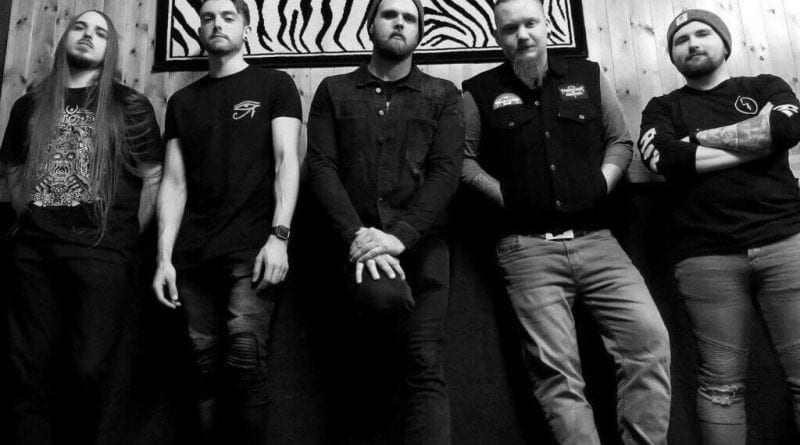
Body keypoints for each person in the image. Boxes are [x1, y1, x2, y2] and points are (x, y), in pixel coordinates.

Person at [460, 1, 672, 443]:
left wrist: (601, 184)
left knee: (650, 345)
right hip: (526, 249)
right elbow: (463, 160)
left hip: (599, 242)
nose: (522, 35)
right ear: (497, 37)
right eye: (510, 28)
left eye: (530, 23)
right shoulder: (477, 91)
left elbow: (620, 141)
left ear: (548, 25)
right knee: (557, 376)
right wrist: (506, 196)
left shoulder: (589, 76)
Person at [0, 10, 164, 444]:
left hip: (102, 252)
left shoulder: (130, 106)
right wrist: (33, 214)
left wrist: (123, 234)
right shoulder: (29, 105)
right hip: (34, 251)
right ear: (64, 39)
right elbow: (12, 169)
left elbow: (153, 177)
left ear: (111, 50)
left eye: (100, 32)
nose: (89, 36)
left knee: (88, 367)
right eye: (80, 27)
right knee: (26, 368)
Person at [639, 9, 800, 445]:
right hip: (705, 257)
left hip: (786, 243)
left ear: (724, 44)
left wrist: (695, 141)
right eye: (680, 39)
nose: (692, 43)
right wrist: (756, 141)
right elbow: (661, 158)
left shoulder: (763, 86)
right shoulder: (662, 107)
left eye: (703, 33)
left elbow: (786, 126)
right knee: (722, 387)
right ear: (673, 55)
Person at [305, 0, 463, 442]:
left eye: (409, 18)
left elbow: (446, 172)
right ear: (370, 25)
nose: (399, 23)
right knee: (363, 369)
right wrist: (359, 236)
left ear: (420, 32)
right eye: (390, 14)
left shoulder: (444, 94)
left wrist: (400, 238)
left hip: (424, 248)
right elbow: (321, 166)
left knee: (424, 364)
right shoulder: (333, 91)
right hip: (356, 248)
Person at [151, 0, 302, 443]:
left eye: (228, 17)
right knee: (203, 370)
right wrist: (163, 259)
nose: (217, 24)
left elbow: (287, 161)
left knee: (245, 360)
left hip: (252, 248)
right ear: (200, 29)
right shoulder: (182, 101)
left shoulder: (275, 84)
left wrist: (279, 236)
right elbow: (173, 183)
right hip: (192, 255)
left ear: (246, 28)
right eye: (209, 18)